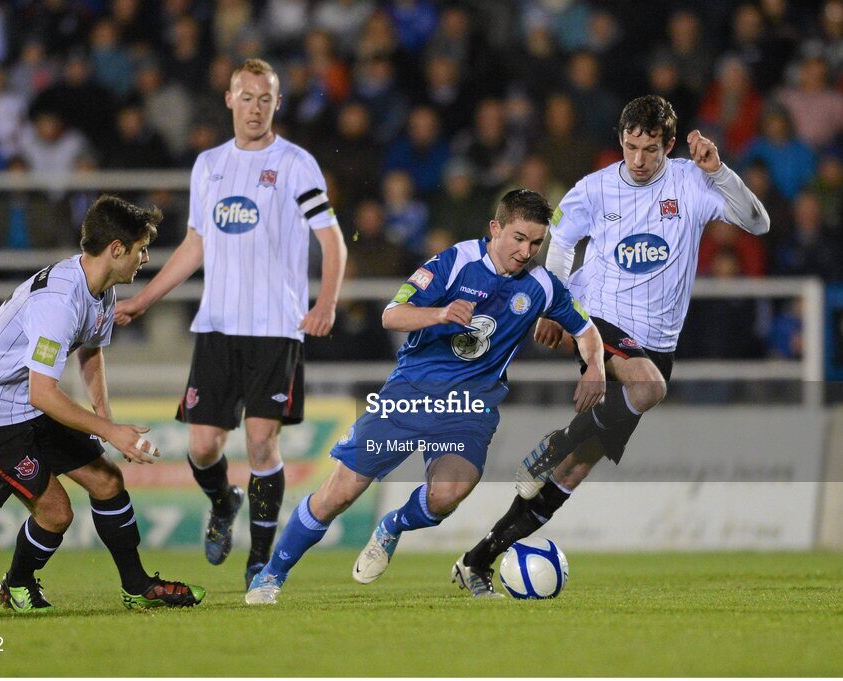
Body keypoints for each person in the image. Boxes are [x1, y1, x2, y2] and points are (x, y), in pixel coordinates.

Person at [453, 95, 771, 597]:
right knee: (648, 388)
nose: (638, 160)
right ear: (620, 140)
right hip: (598, 316)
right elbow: (558, 244)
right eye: (629, 147)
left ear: (669, 144)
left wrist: (721, 171)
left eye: (650, 149)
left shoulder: (692, 180)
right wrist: (554, 307)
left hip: (657, 339)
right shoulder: (596, 188)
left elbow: (758, 224)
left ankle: (477, 559)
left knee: (575, 470)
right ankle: (558, 439)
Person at [245, 189, 606, 605]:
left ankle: (392, 526)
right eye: (519, 238)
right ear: (496, 229)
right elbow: (390, 315)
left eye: (536, 243)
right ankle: (271, 575)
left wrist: (594, 366)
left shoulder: (543, 286)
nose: (526, 251)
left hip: (469, 408)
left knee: (447, 495)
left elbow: (585, 330)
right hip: (410, 394)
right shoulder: (454, 263)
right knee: (338, 495)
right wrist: (440, 313)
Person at [114, 58, 347, 589]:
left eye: (265, 99)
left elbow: (330, 240)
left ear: (277, 103)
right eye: (246, 97)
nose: (255, 108)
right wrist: (145, 299)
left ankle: (260, 559)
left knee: (263, 444)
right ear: (229, 100)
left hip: (276, 329)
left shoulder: (296, 164)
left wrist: (326, 303)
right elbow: (195, 244)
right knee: (202, 447)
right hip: (218, 326)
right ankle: (224, 501)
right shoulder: (208, 165)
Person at [0, 195, 205, 613]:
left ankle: (137, 587)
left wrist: (104, 417)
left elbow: (89, 352)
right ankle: (16, 585)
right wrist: (112, 432)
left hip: (28, 405)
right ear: (116, 249)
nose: (145, 258)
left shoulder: (99, 287)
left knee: (107, 482)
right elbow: (43, 393)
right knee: (56, 514)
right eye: (141, 249)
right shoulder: (58, 303)